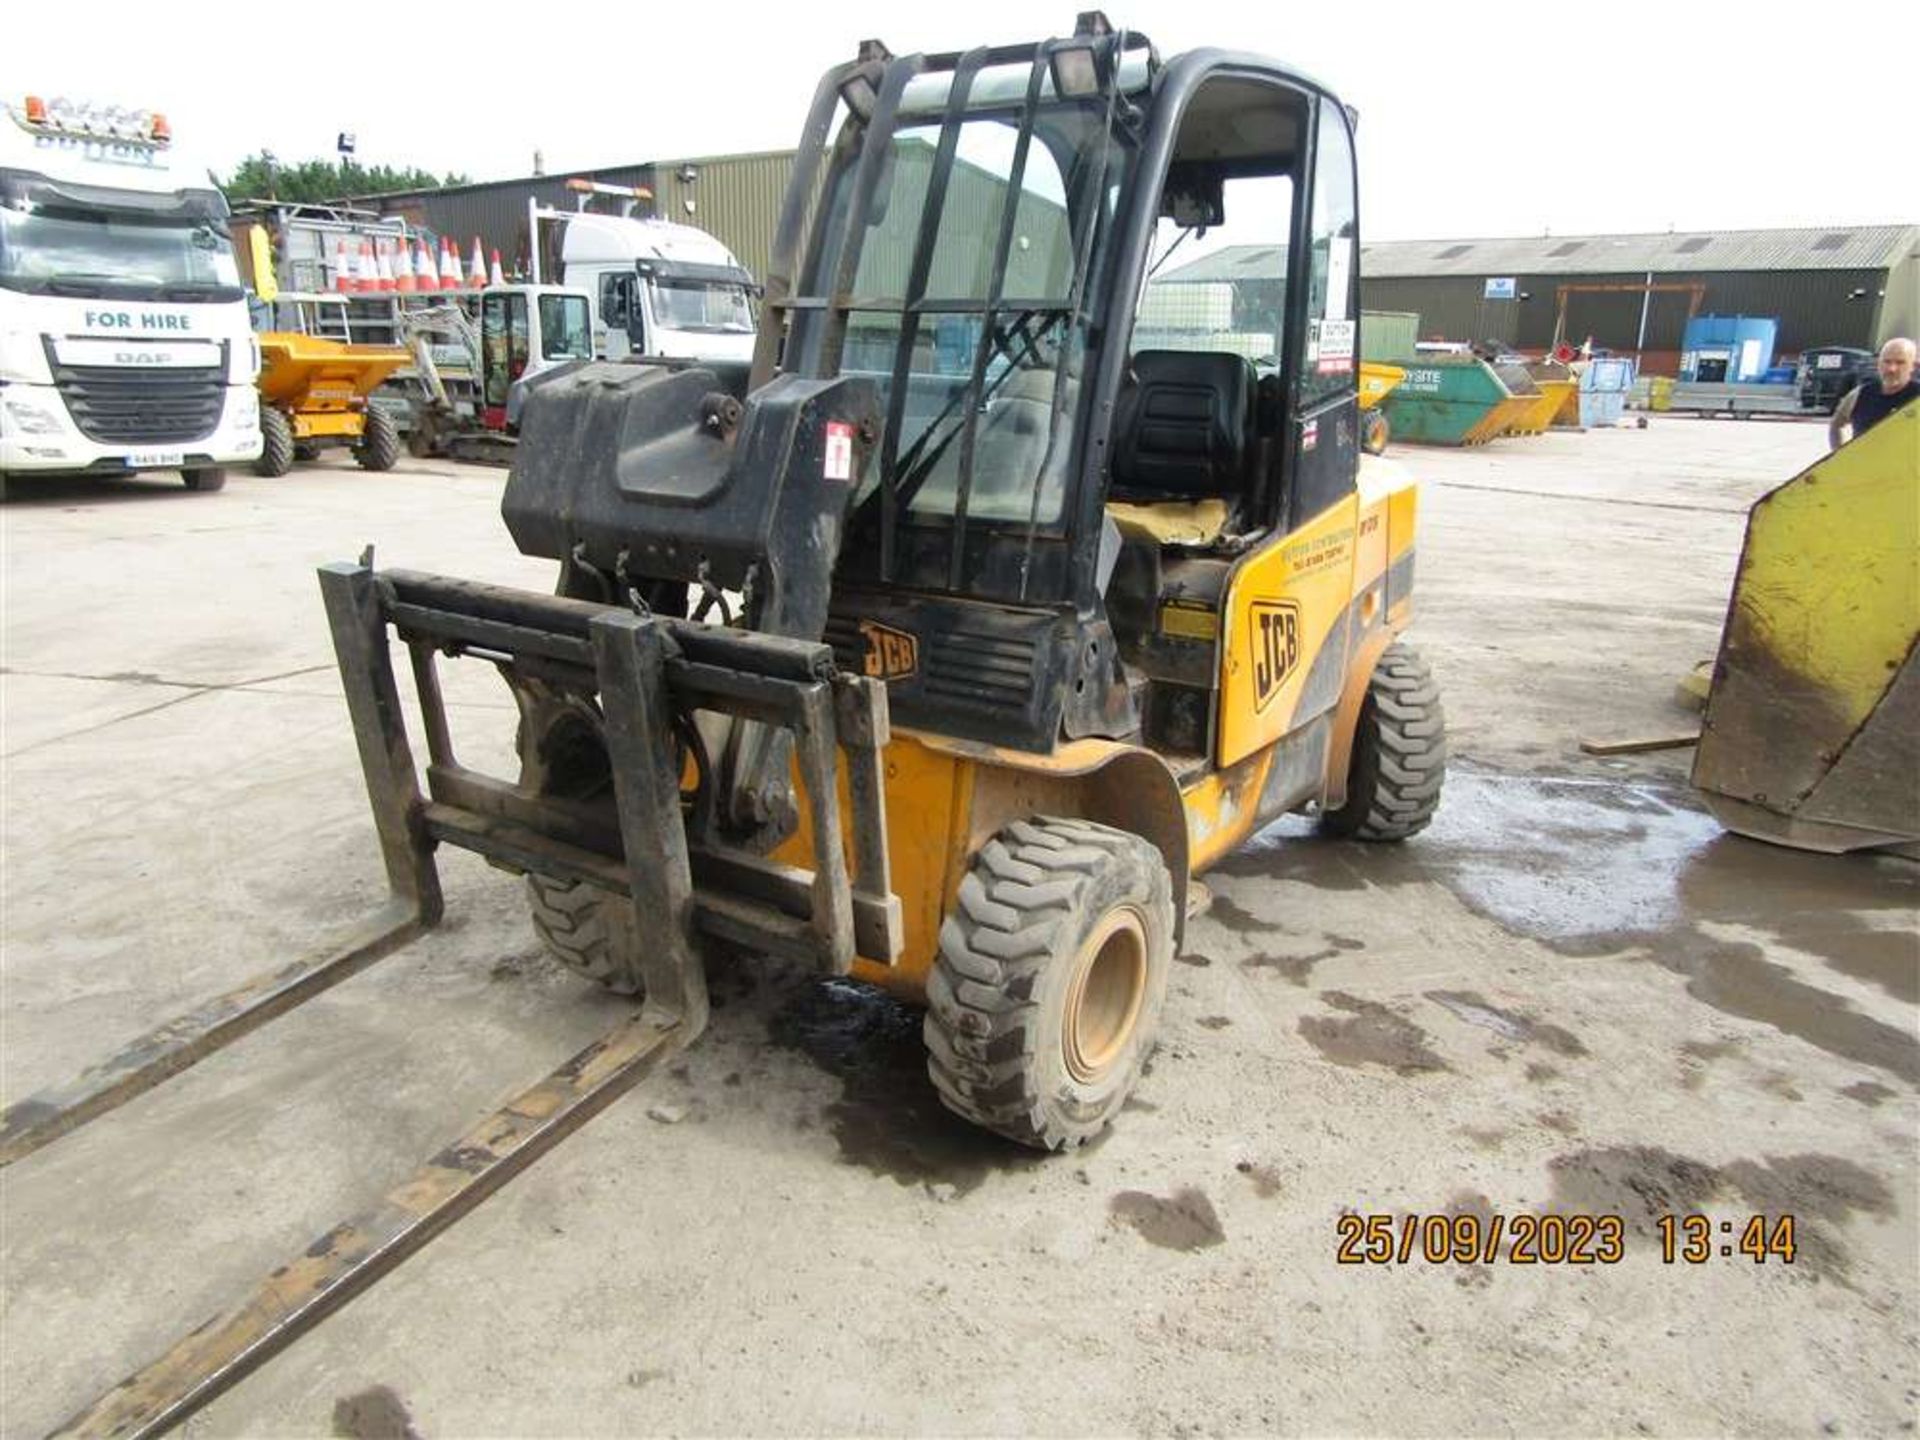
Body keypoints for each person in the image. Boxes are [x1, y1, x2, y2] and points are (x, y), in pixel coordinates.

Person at [1828, 337, 1919, 449]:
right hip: (1866, 464)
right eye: (1887, 361)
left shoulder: (1917, 396)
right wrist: (1840, 457)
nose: (1892, 369)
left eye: (1900, 362)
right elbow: (1836, 425)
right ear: (1878, 363)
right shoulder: (1859, 394)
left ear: (1913, 366)